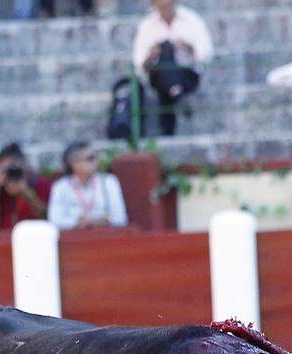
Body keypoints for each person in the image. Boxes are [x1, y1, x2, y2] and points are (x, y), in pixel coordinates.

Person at [131, 0, 212, 137]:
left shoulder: (192, 20)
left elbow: (206, 55)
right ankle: (177, 94)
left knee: (168, 71)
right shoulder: (147, 25)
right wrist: (152, 54)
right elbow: (138, 64)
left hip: (186, 74)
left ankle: (174, 95)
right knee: (165, 54)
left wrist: (187, 47)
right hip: (158, 76)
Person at [47, 140, 128, 229]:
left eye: (95, 157)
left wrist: (94, 221)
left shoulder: (108, 182)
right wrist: (77, 221)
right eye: (90, 158)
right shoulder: (61, 187)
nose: (96, 162)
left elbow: (120, 218)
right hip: (74, 238)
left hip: (105, 236)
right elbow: (54, 220)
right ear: (74, 163)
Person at [0, 141, 51, 232]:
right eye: (5, 169)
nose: (11, 172)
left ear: (24, 163)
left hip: (34, 237)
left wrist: (24, 191)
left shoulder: (41, 184)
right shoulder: (1, 188)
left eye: (13, 167)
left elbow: (45, 215)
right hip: (6, 239)